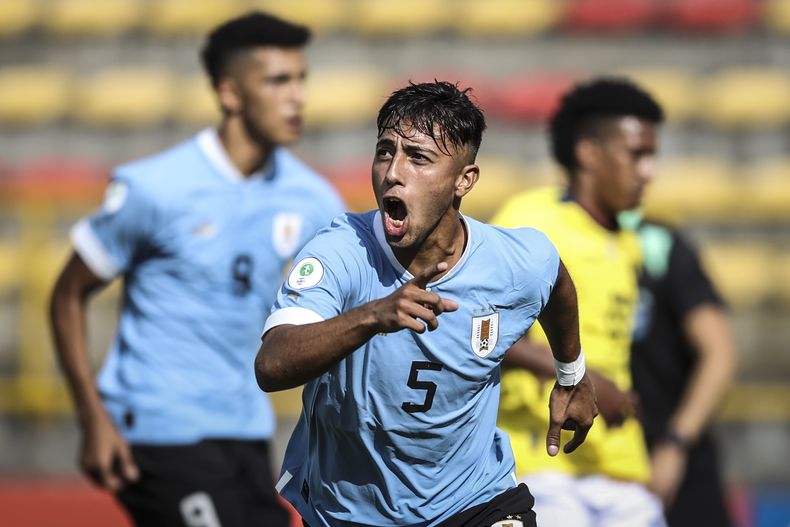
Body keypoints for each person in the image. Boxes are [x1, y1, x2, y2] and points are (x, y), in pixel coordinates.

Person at [255, 80, 598, 527]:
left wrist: (571, 373)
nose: (393, 171)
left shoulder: (514, 260)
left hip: (473, 503)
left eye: (418, 158)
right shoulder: (340, 252)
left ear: (464, 180)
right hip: (350, 513)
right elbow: (271, 364)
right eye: (384, 152)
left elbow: (556, 282)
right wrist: (372, 316)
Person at [49, 11, 344, 527]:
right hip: (159, 430)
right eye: (278, 81)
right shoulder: (155, 187)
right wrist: (92, 418)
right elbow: (67, 294)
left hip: (245, 429)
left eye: (301, 79)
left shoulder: (312, 198)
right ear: (230, 93)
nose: (297, 96)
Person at [491, 77, 667, 526]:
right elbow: (484, 332)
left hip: (620, 475)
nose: (648, 171)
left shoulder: (628, 241)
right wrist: (581, 379)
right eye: (637, 154)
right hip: (541, 466)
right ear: (588, 150)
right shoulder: (531, 222)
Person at [625, 215, 737, 527]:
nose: (647, 172)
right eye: (637, 161)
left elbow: (719, 355)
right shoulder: (553, 239)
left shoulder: (660, 245)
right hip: (587, 463)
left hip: (675, 461)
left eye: (647, 161)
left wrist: (675, 444)